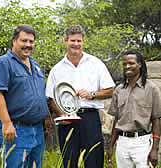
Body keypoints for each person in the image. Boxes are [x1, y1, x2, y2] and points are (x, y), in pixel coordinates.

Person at [46, 24, 115, 168]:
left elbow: (110, 90)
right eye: (72, 40)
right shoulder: (56, 69)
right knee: (70, 163)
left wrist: (92, 94)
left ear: (83, 41)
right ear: (65, 41)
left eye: (79, 41)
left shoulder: (96, 64)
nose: (76, 44)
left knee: (94, 162)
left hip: (90, 118)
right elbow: (51, 98)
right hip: (66, 122)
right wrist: (61, 114)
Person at [0, 24, 49, 168]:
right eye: (24, 41)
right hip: (16, 130)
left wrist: (47, 117)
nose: (28, 45)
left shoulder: (36, 65)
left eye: (31, 41)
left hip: (38, 130)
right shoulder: (2, 63)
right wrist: (7, 123)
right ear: (14, 41)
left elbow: (39, 94)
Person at [106, 49, 161, 168]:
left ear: (139, 65)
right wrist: (110, 146)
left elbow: (156, 120)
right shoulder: (119, 90)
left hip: (142, 143)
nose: (127, 66)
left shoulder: (152, 89)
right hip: (122, 143)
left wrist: (155, 149)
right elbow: (117, 121)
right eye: (124, 64)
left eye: (131, 63)